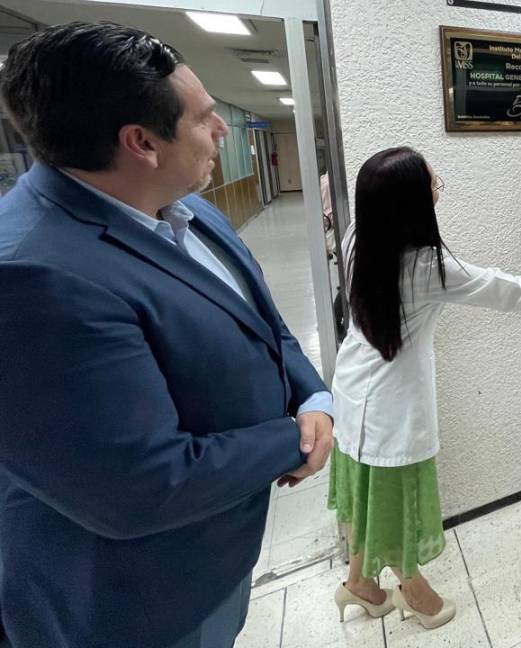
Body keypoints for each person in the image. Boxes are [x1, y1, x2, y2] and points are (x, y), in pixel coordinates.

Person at [0, 23, 333, 647]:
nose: (222, 131)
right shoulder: (32, 275)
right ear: (142, 143)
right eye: (205, 118)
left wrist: (313, 396)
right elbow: (141, 485)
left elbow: (262, 321)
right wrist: (291, 440)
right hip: (136, 601)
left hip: (216, 552)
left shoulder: (189, 207)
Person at [329, 147, 521, 629]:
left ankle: (362, 586)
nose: (436, 188)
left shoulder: (355, 238)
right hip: (391, 407)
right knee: (397, 498)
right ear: (409, 205)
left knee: (371, 491)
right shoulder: (428, 269)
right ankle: (413, 592)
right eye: (432, 183)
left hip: (351, 390)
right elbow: (514, 290)